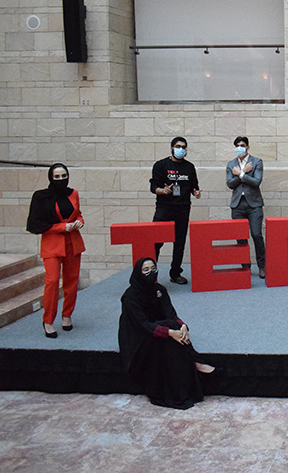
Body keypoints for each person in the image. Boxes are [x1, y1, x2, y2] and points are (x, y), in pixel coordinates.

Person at [118, 258, 215, 410]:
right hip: (137, 339)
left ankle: (184, 385)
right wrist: (170, 332)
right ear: (138, 273)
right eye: (146, 270)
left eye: (153, 268)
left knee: (171, 330)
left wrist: (183, 327)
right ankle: (193, 363)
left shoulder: (160, 290)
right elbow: (143, 325)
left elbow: (171, 315)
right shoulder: (131, 297)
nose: (151, 273)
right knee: (169, 335)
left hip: (158, 330)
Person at [26, 163, 85, 338]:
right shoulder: (41, 197)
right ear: (51, 178)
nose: (61, 179)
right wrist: (62, 227)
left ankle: (67, 315)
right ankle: (48, 320)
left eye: (63, 176)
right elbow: (37, 224)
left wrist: (79, 221)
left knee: (71, 282)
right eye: (57, 177)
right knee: (52, 282)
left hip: (73, 243)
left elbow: (78, 213)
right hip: (52, 244)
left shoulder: (73, 193)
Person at [150, 137, 201, 285]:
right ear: (172, 148)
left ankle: (175, 273)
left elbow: (194, 186)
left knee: (179, 242)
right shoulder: (160, 165)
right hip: (164, 209)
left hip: (183, 209)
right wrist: (162, 190)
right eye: (178, 146)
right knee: (156, 242)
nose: (181, 149)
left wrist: (196, 192)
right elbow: (153, 186)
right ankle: (150, 273)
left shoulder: (189, 167)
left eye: (184, 147)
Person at [226, 136, 266, 278]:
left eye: (242, 145)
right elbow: (230, 184)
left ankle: (262, 266)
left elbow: (256, 182)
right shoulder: (231, 164)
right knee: (240, 238)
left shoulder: (256, 162)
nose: (239, 148)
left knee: (256, 234)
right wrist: (240, 175)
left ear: (248, 147)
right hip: (237, 205)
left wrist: (241, 174)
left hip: (254, 204)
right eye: (237, 145)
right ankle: (245, 267)